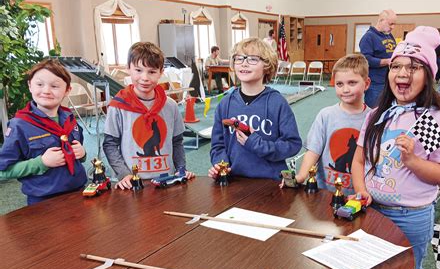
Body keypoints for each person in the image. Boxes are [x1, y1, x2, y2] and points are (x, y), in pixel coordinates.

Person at [351, 26, 440, 269]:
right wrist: (361, 189)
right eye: (396, 66)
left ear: (428, 76)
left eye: (414, 68)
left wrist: (412, 160)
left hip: (409, 217)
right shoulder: (378, 114)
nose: (402, 73)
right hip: (372, 210)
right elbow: (360, 159)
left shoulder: (431, 120)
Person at [103, 42, 194, 190]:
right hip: (133, 183)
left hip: (167, 179)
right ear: (128, 69)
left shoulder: (170, 106)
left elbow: (177, 142)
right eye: (138, 70)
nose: (144, 78)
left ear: (161, 72)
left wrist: (181, 169)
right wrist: (124, 174)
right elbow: (110, 144)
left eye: (151, 72)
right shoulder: (118, 106)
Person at [208, 37, 302, 180]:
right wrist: (221, 165)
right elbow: (218, 145)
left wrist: (256, 144)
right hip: (234, 181)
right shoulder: (225, 103)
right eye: (239, 58)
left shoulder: (277, 103)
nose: (244, 63)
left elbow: (293, 144)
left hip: (270, 181)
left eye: (252, 59)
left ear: (267, 66)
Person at [280, 54, 371, 195]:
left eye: (352, 83)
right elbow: (313, 151)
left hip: (359, 192)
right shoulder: (326, 115)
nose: (345, 89)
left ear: (366, 83)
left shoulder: (372, 119)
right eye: (339, 84)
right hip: (324, 191)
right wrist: (301, 176)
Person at [0, 59, 87, 204]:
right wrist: (41, 162)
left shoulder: (70, 119)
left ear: (67, 90)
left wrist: (83, 153)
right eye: (39, 84)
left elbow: (77, 154)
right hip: (43, 201)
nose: (46, 91)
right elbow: (3, 171)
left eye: (54, 86)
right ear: (30, 86)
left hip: (78, 192)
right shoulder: (20, 125)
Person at [359, 9, 397, 108]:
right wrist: (386, 61)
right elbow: (365, 60)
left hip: (389, 81)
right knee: (374, 112)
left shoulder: (389, 36)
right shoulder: (368, 37)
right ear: (381, 20)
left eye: (394, 24)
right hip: (375, 84)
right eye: (390, 24)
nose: (393, 27)